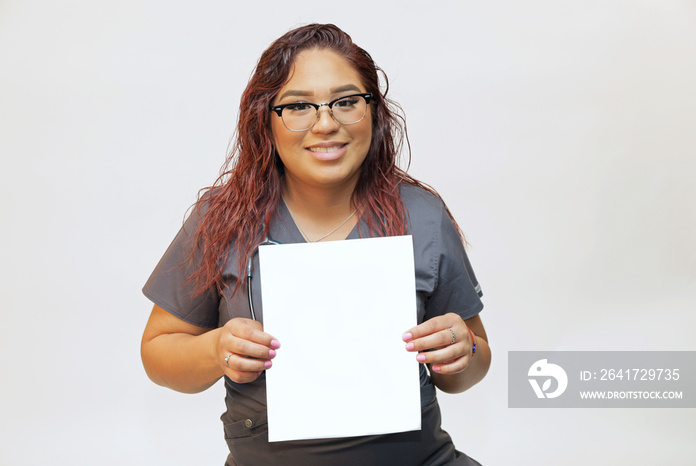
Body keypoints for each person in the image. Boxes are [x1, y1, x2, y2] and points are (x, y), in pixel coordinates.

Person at [141, 23, 491, 465]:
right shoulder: (220, 218)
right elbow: (157, 351)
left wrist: (464, 351)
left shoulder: (422, 214)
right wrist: (215, 351)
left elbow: (471, 364)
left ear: (373, 111)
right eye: (299, 106)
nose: (326, 124)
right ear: (265, 119)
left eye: (346, 102)